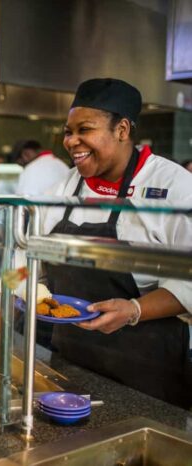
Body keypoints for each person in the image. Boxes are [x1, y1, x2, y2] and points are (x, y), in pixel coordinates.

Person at [43, 78, 192, 408]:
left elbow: (190, 281)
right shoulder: (64, 187)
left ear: (122, 129)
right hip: (71, 359)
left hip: (147, 367)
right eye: (68, 131)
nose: (72, 141)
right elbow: (27, 254)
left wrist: (135, 310)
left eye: (85, 129)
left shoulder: (175, 188)